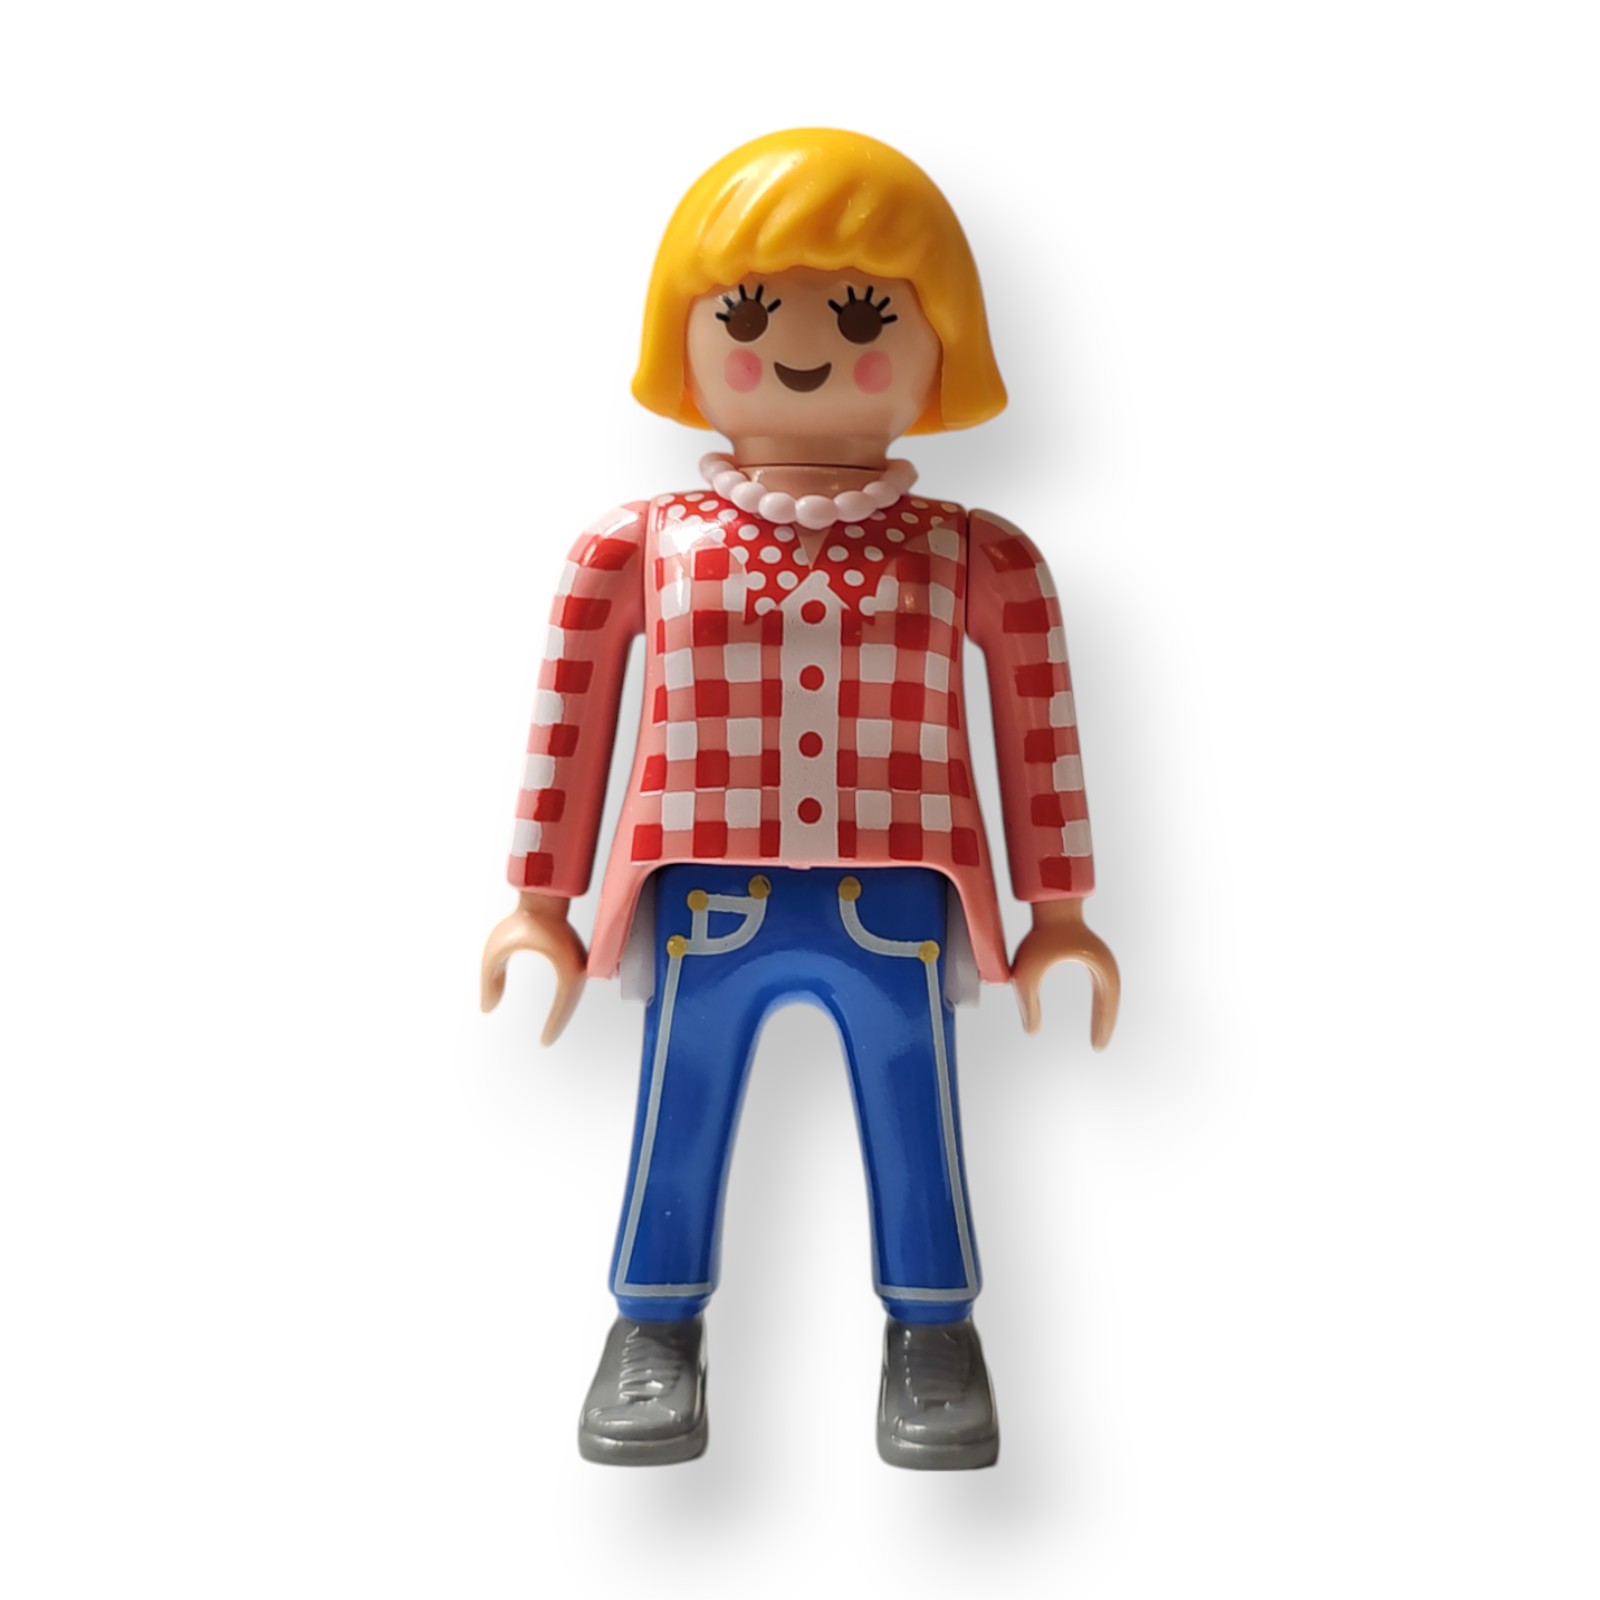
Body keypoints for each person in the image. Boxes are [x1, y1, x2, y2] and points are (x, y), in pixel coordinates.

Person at [480, 128, 1119, 1469]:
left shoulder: (977, 553)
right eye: (750, 314)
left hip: (900, 897)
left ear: (945, 345)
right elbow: (570, 721)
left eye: (870, 316)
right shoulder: (638, 546)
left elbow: (1041, 733)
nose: (805, 349)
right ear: (685, 336)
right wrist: (539, 898)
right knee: (681, 1100)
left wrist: (1058, 911)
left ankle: (934, 1333)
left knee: (914, 1106)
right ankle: (653, 1328)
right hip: (705, 894)